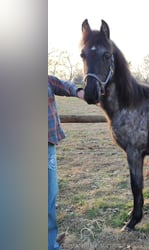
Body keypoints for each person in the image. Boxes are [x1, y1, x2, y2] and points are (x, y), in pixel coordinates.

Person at [48, 75, 84, 250]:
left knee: (49, 195)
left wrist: (81, 92)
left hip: (46, 145)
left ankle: (49, 244)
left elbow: (64, 86)